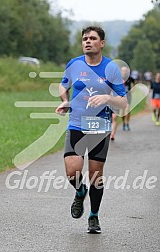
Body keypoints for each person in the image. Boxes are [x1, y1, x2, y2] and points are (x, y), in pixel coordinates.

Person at [55, 26, 127, 233]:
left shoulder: (111, 68)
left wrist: (107, 98)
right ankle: (80, 192)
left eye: (92, 38)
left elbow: (123, 102)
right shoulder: (74, 64)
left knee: (96, 175)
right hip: (76, 123)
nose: (87, 41)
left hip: (100, 126)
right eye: (85, 38)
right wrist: (66, 100)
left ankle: (93, 216)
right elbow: (63, 84)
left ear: (101, 43)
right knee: (72, 171)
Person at [121, 66, 135, 131]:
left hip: (128, 96)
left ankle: (127, 123)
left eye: (126, 71)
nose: (124, 72)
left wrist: (132, 89)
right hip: (121, 96)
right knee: (123, 111)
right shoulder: (119, 78)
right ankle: (123, 123)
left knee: (128, 110)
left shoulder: (130, 78)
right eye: (123, 71)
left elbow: (134, 83)